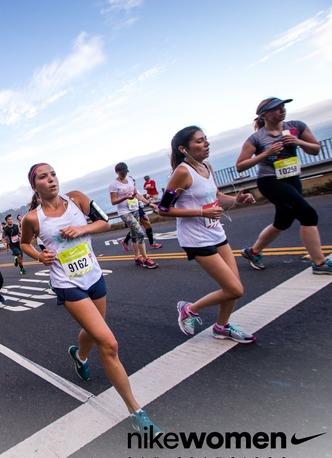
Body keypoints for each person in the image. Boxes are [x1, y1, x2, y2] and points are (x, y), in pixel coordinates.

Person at [20, 162, 161, 434]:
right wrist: (39, 256)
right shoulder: (32, 219)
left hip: (93, 276)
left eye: (53, 174)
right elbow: (24, 243)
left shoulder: (76, 199)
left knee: (95, 331)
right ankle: (136, 412)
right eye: (43, 177)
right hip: (67, 283)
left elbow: (105, 222)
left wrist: (82, 229)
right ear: (34, 186)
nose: (51, 180)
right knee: (109, 343)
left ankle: (79, 355)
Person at [159, 126, 257, 343]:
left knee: (232, 287)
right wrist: (201, 212)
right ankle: (189, 309)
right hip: (196, 239)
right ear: (184, 149)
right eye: (199, 141)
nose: (206, 143)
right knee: (235, 289)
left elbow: (216, 195)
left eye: (206, 139)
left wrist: (237, 200)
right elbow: (163, 209)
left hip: (216, 232)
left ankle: (222, 327)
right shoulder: (182, 173)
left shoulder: (207, 166)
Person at [235, 97, 331, 274]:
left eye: (283, 107)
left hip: (292, 178)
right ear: (264, 115)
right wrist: (267, 153)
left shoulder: (296, 127)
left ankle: (253, 252)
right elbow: (240, 166)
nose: (282, 110)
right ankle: (319, 263)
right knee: (308, 215)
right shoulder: (256, 138)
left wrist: (298, 142)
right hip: (270, 181)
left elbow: (316, 149)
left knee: (283, 222)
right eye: (276, 108)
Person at [109, 163, 159, 269]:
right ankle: (146, 259)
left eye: (125, 172)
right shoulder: (113, 185)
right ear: (117, 172)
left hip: (134, 208)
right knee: (140, 233)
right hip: (124, 211)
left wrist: (148, 203)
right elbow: (113, 201)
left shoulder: (130, 179)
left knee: (134, 234)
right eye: (122, 173)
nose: (124, 174)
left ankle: (137, 257)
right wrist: (125, 197)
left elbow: (136, 194)